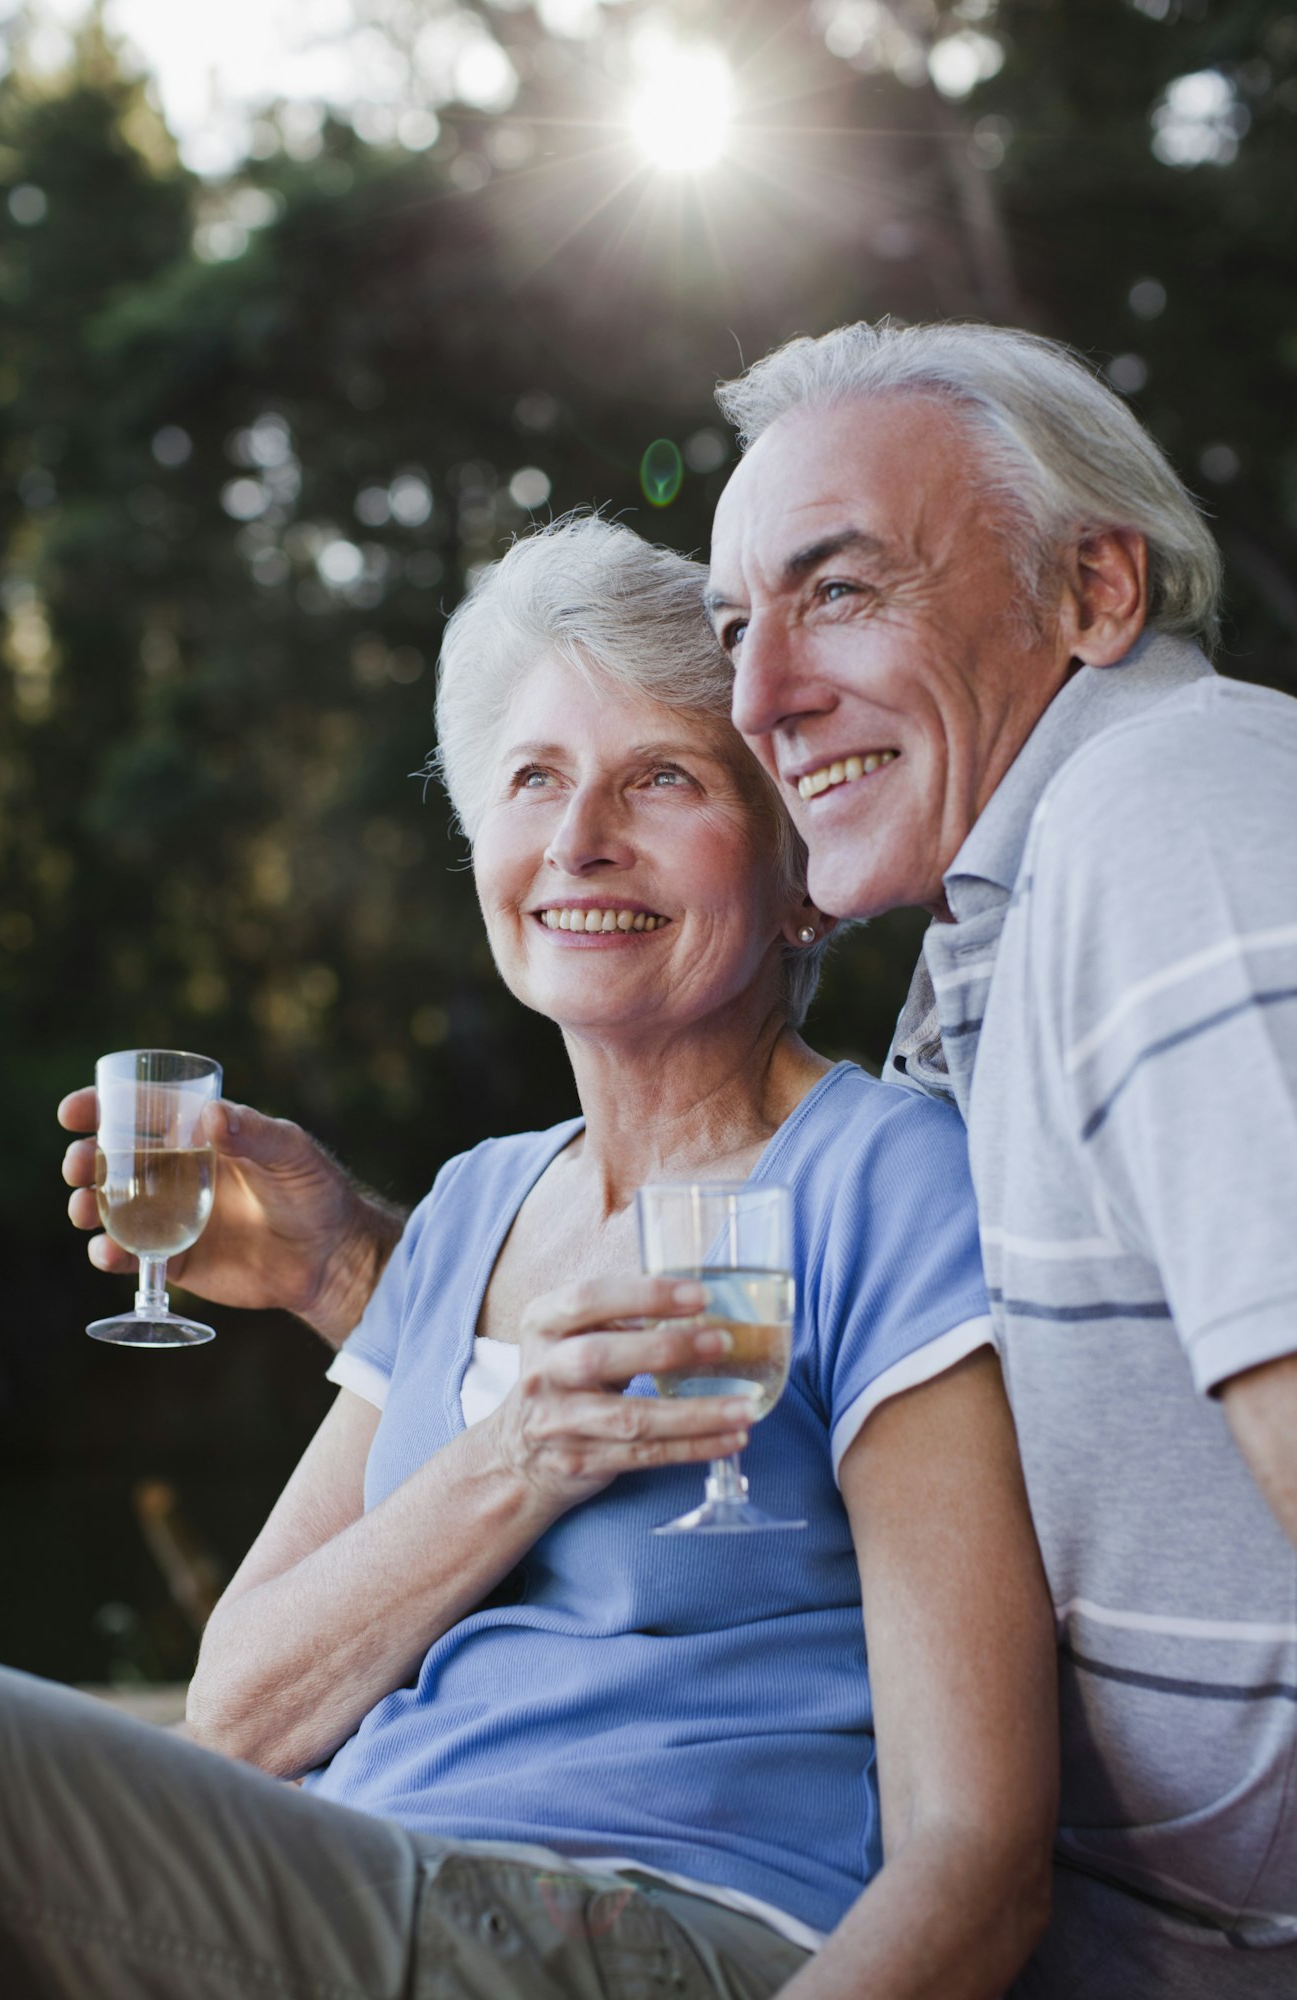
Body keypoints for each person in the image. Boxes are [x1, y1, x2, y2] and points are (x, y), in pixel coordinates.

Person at [0, 515, 1057, 2000]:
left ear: (799, 869)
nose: (578, 841)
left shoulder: (886, 1179)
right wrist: (527, 1452)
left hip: (661, 1927)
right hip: (378, 1890)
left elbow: (976, 1850)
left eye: (661, 778)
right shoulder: (474, 1206)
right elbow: (240, 1710)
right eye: (532, 779)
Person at [704, 321, 1297, 1997]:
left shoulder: (1162, 822)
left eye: (838, 593)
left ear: (1095, 594)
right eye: (735, 629)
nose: (757, 701)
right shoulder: (1007, 918)